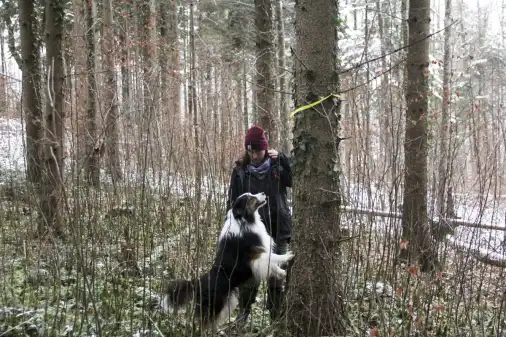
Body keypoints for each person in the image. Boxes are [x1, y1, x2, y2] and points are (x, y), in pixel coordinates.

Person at [226, 125, 293, 327]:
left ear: (266, 148)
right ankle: (243, 316)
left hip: (278, 231)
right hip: (252, 235)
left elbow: (293, 180)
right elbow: (232, 204)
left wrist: (283, 158)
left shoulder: (277, 167)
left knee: (276, 280)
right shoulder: (240, 172)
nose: (255, 155)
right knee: (250, 278)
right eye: (251, 151)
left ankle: (276, 320)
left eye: (258, 151)